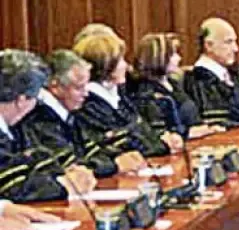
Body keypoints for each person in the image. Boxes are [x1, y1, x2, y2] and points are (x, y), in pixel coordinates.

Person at [18, 50, 146, 178]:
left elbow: (91, 149)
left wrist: (119, 156)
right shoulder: (40, 119)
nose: (86, 93)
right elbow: (68, 166)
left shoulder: (68, 113)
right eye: (79, 88)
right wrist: (115, 165)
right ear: (55, 86)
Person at [0, 49, 96, 201]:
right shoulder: (32, 119)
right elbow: (11, 186)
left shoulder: (15, 127)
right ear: (21, 100)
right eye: (36, 99)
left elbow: (38, 160)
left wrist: (63, 173)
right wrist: (63, 184)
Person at [74, 31, 179, 157]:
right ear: (107, 66)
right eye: (121, 60)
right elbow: (122, 144)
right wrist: (161, 145)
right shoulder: (89, 105)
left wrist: (163, 139)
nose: (126, 65)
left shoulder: (120, 96)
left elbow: (143, 128)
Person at [128, 33, 217, 139]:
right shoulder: (145, 92)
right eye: (173, 55)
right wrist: (187, 133)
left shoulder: (174, 84)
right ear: (158, 58)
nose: (179, 58)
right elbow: (157, 131)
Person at [185, 17, 239, 127]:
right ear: (208, 45)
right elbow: (215, 123)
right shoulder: (200, 80)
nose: (235, 49)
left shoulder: (231, 75)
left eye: (235, 42)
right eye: (228, 42)